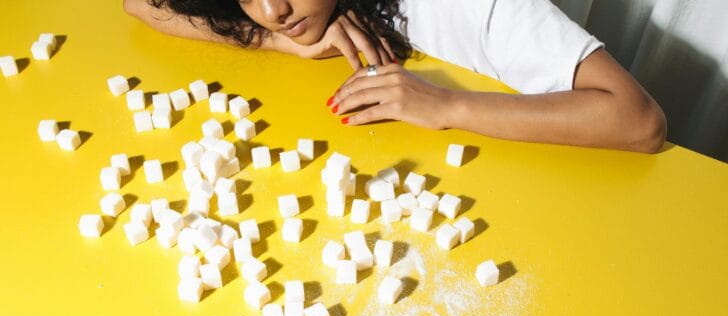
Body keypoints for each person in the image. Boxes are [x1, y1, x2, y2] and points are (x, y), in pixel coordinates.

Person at [123, 0, 667, 153]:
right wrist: (284, 42)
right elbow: (141, 5)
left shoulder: (477, 8)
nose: (270, 8)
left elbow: (637, 119)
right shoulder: (279, 16)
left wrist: (446, 106)